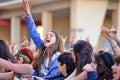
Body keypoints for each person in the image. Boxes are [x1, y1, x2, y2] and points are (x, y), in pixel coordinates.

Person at [22, 0, 63, 79]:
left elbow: (52, 76)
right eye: (46, 35)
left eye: (51, 36)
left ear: (57, 41)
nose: (47, 36)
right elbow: (34, 33)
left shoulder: (58, 57)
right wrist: (28, 14)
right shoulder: (42, 47)